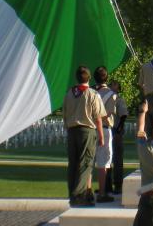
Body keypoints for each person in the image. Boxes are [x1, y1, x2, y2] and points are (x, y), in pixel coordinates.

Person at [64, 65, 105, 207]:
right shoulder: (92, 94)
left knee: (73, 163)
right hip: (87, 130)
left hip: (72, 130)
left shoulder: (69, 93)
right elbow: (98, 117)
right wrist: (101, 135)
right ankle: (78, 194)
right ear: (89, 78)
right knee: (86, 162)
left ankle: (73, 192)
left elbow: (65, 113)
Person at [93, 66, 117, 203]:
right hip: (105, 128)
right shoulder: (111, 94)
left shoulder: (90, 92)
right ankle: (102, 193)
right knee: (103, 162)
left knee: (90, 162)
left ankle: (87, 191)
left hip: (91, 127)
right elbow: (107, 113)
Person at [109, 80, 128, 195]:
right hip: (109, 130)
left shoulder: (119, 99)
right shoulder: (108, 98)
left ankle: (117, 185)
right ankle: (107, 185)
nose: (112, 86)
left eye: (114, 85)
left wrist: (119, 129)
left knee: (117, 159)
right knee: (106, 159)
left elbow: (123, 115)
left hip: (115, 130)